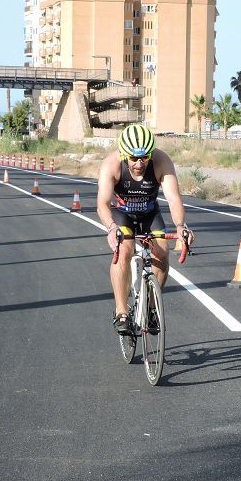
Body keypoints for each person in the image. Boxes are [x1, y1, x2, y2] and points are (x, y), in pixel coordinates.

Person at [97, 124, 193, 334]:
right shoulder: (110, 165)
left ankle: (150, 309)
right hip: (122, 214)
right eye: (133, 158)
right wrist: (112, 228)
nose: (139, 163)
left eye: (144, 158)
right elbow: (102, 204)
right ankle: (121, 312)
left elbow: (173, 198)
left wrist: (180, 225)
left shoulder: (161, 161)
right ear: (123, 154)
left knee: (163, 253)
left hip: (150, 213)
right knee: (124, 251)